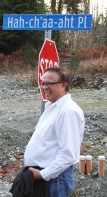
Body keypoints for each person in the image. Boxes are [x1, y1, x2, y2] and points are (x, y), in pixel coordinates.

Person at [24, 67, 85, 197]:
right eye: (42, 83)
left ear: (63, 85)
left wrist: (42, 175)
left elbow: (68, 154)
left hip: (54, 179)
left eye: (49, 83)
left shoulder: (68, 111)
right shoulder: (52, 107)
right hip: (46, 177)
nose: (44, 87)